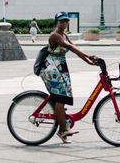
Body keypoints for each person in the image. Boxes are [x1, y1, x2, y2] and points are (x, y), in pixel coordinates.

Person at [39, 12, 97, 143]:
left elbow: (74, 48)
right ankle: (63, 129)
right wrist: (88, 56)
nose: (63, 23)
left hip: (60, 69)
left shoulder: (64, 35)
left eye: (65, 21)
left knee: (62, 98)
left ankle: (62, 131)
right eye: (60, 21)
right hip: (51, 69)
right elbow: (70, 46)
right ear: (56, 22)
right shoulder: (55, 35)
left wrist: (87, 60)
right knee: (60, 99)